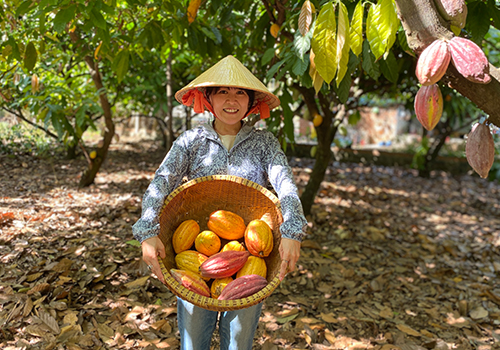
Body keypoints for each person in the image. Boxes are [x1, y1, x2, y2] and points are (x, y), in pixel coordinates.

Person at [132, 55, 307, 350]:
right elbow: (161, 182)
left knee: (238, 342)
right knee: (193, 341)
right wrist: (147, 230)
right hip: (197, 253)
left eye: (240, 93)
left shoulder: (265, 144)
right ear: (208, 98)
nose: (231, 100)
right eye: (222, 92)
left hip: (250, 255)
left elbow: (285, 185)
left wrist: (292, 231)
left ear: (251, 102)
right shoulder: (191, 141)